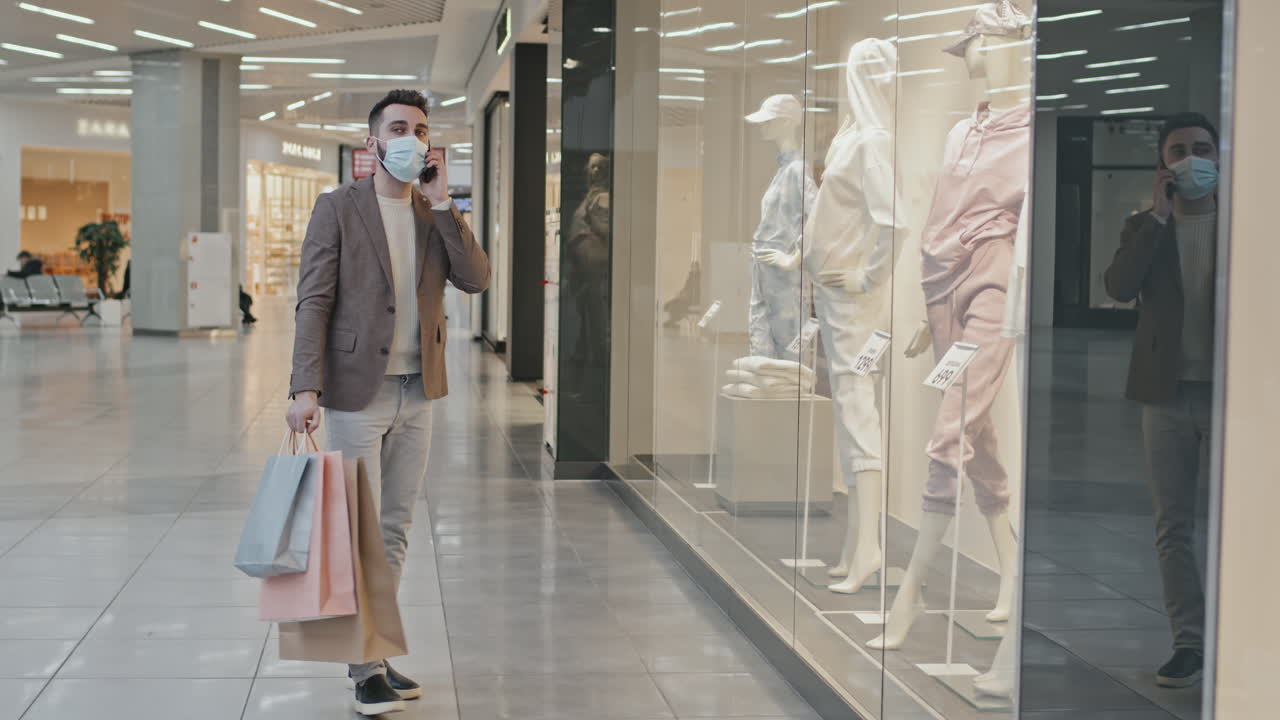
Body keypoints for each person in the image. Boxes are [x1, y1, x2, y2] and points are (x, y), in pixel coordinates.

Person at [285, 89, 489, 716]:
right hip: (357, 393)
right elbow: (314, 298)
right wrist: (304, 385)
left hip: (417, 391)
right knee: (358, 532)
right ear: (372, 141)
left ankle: (374, 652)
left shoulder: (433, 213)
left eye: (421, 130)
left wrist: (445, 203)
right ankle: (363, 668)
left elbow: (475, 278)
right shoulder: (338, 207)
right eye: (398, 128)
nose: (411, 139)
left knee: (395, 530)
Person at [1104, 112, 1220, 690]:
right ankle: (1189, 643)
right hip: (1166, 394)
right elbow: (1119, 286)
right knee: (1172, 525)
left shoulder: (1248, 222)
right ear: (1163, 165)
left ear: (1220, 156)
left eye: (1202, 148)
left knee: (1243, 520)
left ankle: (1243, 633)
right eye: (1178, 151)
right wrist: (1156, 217)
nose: (1192, 159)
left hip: (1234, 396)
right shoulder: (1145, 226)